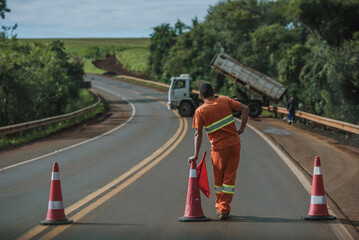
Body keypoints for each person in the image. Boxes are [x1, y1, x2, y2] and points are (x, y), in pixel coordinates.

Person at [188, 82, 249, 220]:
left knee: (219, 180)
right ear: (213, 91)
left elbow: (198, 134)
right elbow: (245, 108)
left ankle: (221, 207)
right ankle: (224, 207)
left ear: (201, 95)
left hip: (219, 150)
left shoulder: (200, 111)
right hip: (235, 144)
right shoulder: (225, 100)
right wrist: (242, 128)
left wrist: (196, 155)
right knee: (229, 178)